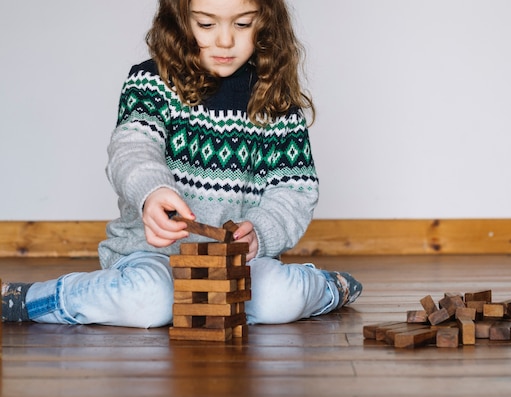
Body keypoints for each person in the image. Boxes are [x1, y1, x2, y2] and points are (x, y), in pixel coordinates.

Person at [1, 0, 362, 327]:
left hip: (236, 267)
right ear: (179, 20)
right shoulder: (151, 83)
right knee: (151, 301)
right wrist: (153, 191)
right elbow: (132, 146)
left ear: (266, 23)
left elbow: (293, 190)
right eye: (206, 25)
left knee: (279, 299)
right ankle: (27, 300)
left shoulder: (275, 102)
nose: (224, 41)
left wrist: (262, 232)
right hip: (151, 259)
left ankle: (330, 287)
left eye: (242, 24)